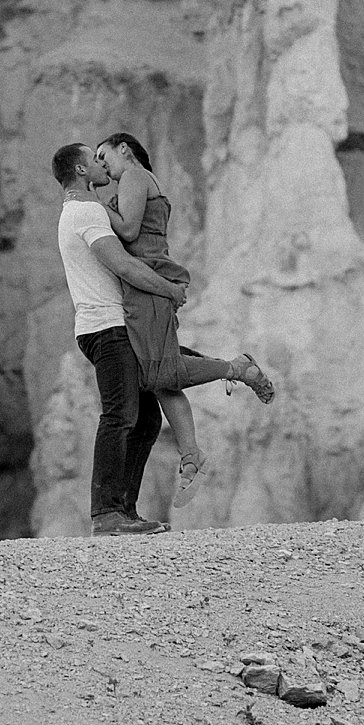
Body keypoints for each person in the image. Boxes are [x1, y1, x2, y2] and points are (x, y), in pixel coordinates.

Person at [94, 131, 274, 510]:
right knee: (159, 375)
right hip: (146, 285)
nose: (101, 164)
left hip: (150, 283)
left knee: (161, 373)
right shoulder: (140, 181)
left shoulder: (134, 177)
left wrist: (93, 204)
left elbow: (126, 229)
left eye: (103, 154)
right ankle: (191, 456)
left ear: (123, 149)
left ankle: (238, 369)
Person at [53, 141, 188, 537]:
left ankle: (123, 511)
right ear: (80, 171)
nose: (101, 166)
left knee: (145, 418)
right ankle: (107, 513)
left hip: (106, 326)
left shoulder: (74, 213)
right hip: (107, 327)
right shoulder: (87, 211)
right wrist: (168, 288)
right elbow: (124, 264)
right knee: (120, 416)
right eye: (93, 161)